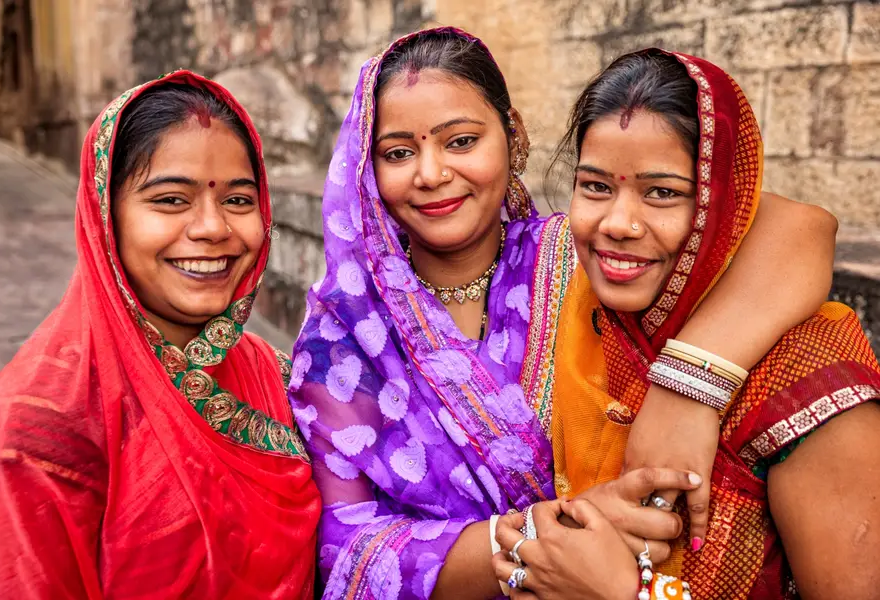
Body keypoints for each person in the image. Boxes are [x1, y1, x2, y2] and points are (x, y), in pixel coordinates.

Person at [289, 28, 839, 599]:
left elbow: (798, 229)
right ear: (365, 168)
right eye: (399, 152)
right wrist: (531, 543)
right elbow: (344, 546)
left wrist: (688, 391)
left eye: (461, 141)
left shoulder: (588, 258)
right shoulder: (343, 335)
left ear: (514, 135)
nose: (430, 174)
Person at [493, 49, 880, 599]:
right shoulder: (561, 296)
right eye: (596, 186)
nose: (618, 224)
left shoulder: (806, 379)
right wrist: (535, 542)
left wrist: (622, 594)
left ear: (721, 206)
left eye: (663, 193)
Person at [0, 71, 321, 598]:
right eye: (169, 200)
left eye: (237, 200)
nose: (213, 228)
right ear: (105, 217)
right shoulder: (33, 432)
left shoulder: (277, 376)